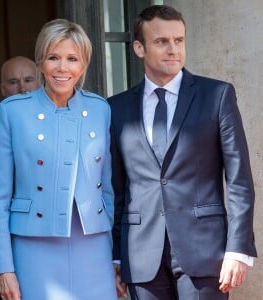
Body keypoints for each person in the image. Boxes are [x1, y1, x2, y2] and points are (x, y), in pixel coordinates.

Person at [108, 5, 256, 300]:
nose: (173, 49)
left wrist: (238, 249)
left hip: (204, 251)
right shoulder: (117, 108)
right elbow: (117, 189)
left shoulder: (217, 95)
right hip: (141, 256)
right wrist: (116, 256)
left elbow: (239, 180)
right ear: (139, 48)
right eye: (161, 41)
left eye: (179, 40)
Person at [0, 19, 117, 300]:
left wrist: (117, 257)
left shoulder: (100, 109)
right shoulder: (12, 112)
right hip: (33, 248)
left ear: (83, 65)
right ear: (40, 62)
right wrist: (4, 268)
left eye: (72, 59)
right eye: (53, 58)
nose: (62, 68)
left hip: (93, 247)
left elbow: (109, 191)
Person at [0, 56, 41, 193]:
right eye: (13, 82)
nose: (22, 88)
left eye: (28, 80)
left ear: (40, 84)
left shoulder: (57, 123)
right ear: (3, 89)